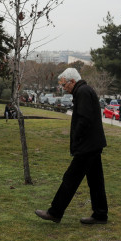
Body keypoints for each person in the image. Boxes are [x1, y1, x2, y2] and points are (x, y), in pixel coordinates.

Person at [35, 68, 108, 225]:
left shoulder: (82, 92)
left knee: (71, 178)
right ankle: (100, 214)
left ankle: (55, 212)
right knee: (95, 181)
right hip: (93, 144)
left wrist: (77, 138)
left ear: (73, 81)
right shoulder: (84, 90)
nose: (63, 87)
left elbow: (84, 119)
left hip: (87, 146)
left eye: (64, 84)